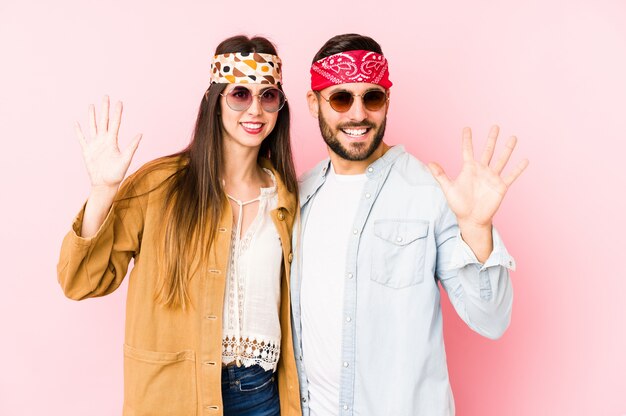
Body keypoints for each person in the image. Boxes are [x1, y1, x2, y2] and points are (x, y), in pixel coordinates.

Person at [57, 35, 302, 416]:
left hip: (260, 395)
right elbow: (81, 280)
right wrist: (103, 191)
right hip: (174, 397)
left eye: (268, 96)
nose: (255, 109)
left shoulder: (286, 197)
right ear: (214, 101)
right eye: (239, 94)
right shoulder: (159, 185)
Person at [290, 34, 529, 415]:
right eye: (340, 98)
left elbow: (491, 320)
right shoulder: (298, 196)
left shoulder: (430, 192)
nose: (357, 114)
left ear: (387, 101)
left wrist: (478, 230)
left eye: (372, 98)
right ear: (312, 102)